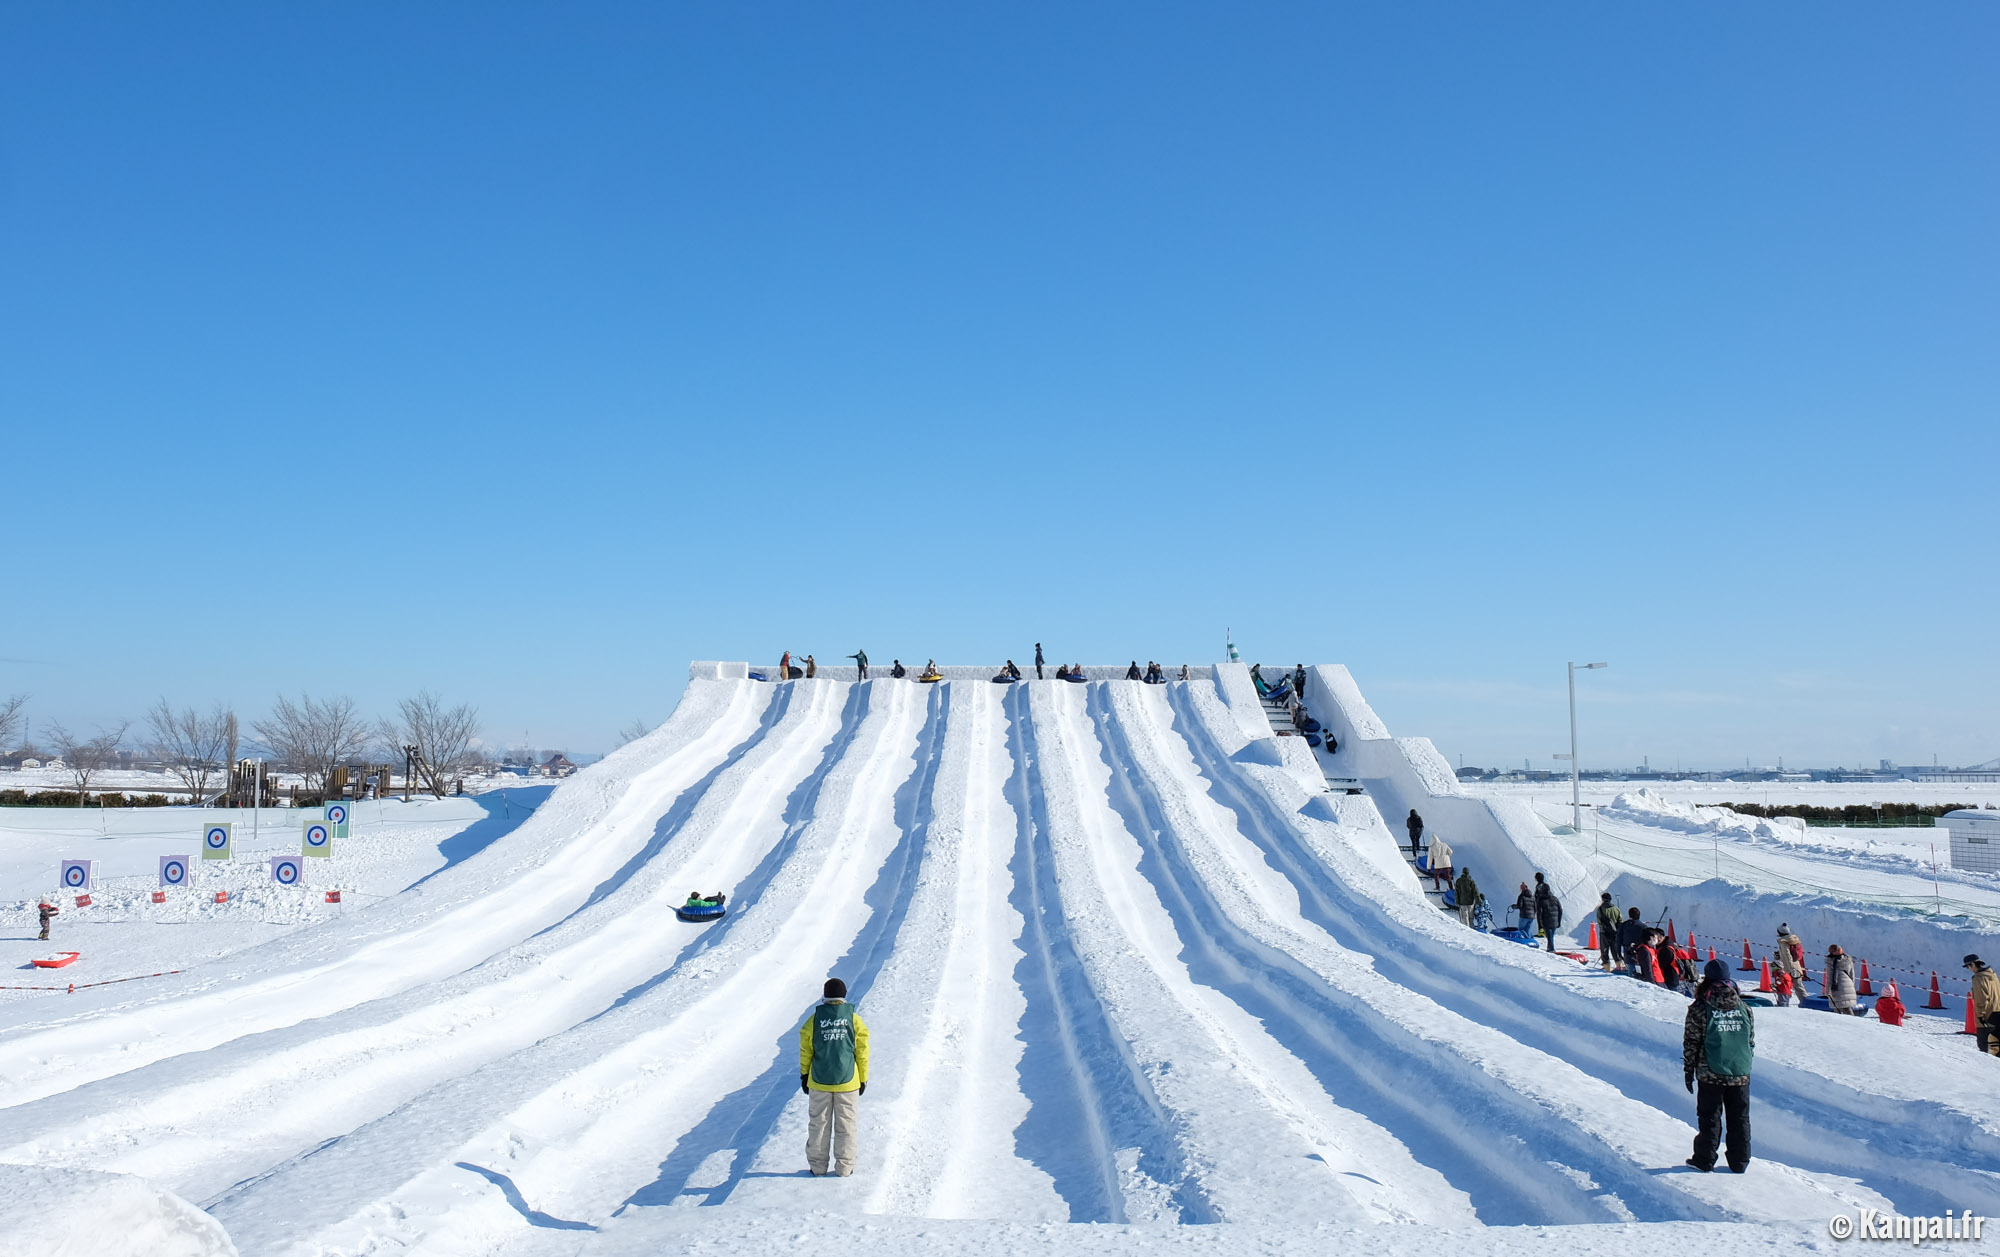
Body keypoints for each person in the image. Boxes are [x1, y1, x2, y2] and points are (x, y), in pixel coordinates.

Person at [1683, 958, 1754, 1174]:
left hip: (1710, 1072)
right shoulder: (1744, 1007)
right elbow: (1750, 1040)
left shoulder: (1699, 1008)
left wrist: (1689, 1070)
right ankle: (1740, 1161)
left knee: (1710, 1116)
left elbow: (1691, 1042)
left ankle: (1705, 1158)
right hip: (1740, 1070)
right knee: (1740, 1117)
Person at [799, 977, 870, 1177]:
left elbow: (806, 1049)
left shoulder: (814, 1020)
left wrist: (805, 1074)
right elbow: (862, 1051)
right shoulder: (853, 1019)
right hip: (848, 1082)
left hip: (819, 1081)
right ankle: (845, 1168)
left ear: (825, 996)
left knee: (818, 1124)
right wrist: (863, 1078)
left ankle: (818, 1167)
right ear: (844, 995)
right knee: (846, 1125)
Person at [1967, 955, 2000, 1055]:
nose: (1969, 969)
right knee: (1996, 1045)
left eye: (1968, 966)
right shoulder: (1992, 975)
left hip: (1987, 1017)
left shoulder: (1978, 978)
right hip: (1997, 1013)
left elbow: (1982, 999)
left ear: (1973, 965)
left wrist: (1980, 1016)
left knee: (1985, 1049)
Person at [1533, 872, 1563, 953]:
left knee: (1550, 937)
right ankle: (1550, 948)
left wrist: (1540, 923)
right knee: (1551, 936)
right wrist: (1559, 921)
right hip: (1555, 921)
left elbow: (1539, 912)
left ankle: (1551, 949)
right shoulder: (1555, 898)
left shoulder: (1541, 899)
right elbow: (1560, 910)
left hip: (1546, 921)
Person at [1824, 945, 1857, 1014]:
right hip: (1849, 986)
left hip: (1837, 988)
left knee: (1837, 1009)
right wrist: (1852, 986)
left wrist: (1827, 991)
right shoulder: (1848, 960)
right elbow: (1852, 975)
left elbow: (1829, 978)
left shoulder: (1831, 962)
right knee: (1847, 1008)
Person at [1617, 908, 1648, 979]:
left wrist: (1618, 952)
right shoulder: (1643, 926)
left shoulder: (1623, 925)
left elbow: (1618, 940)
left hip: (1628, 951)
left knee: (1631, 972)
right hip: (1641, 951)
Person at [1595, 893, 1623, 971]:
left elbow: (1599, 921)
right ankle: (1619, 966)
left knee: (1604, 950)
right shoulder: (1616, 909)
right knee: (1615, 950)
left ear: (1603, 899)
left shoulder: (1600, 909)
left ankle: (1607, 968)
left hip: (1604, 932)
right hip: (1615, 933)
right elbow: (1620, 920)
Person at [1774, 924, 1806, 991]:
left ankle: (1805, 1001)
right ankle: (1804, 1001)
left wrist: (1792, 969)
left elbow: (1787, 956)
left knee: (1796, 987)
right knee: (1798, 987)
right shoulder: (1793, 940)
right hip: (1796, 966)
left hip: (1789, 969)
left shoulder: (1784, 943)